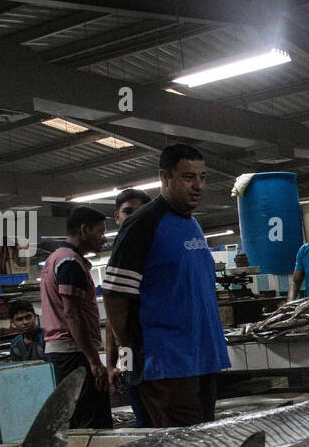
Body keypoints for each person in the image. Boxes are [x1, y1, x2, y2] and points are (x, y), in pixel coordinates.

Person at [101, 142, 230, 427]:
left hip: (202, 357)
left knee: (204, 442)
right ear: (165, 177)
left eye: (202, 177)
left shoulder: (191, 223)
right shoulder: (142, 224)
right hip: (166, 365)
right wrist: (130, 360)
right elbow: (114, 298)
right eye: (188, 177)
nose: (197, 185)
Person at [40, 206, 115, 428]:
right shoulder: (69, 262)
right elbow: (71, 314)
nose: (103, 239)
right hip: (74, 353)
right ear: (84, 230)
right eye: (100, 232)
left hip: (65, 353)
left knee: (76, 419)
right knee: (93, 424)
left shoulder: (55, 258)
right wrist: (93, 361)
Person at [109, 187, 153, 428]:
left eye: (141, 212)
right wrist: (115, 365)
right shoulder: (119, 257)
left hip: (159, 353)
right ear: (117, 217)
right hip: (134, 356)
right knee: (144, 422)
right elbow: (114, 318)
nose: (134, 217)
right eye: (127, 212)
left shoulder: (154, 252)